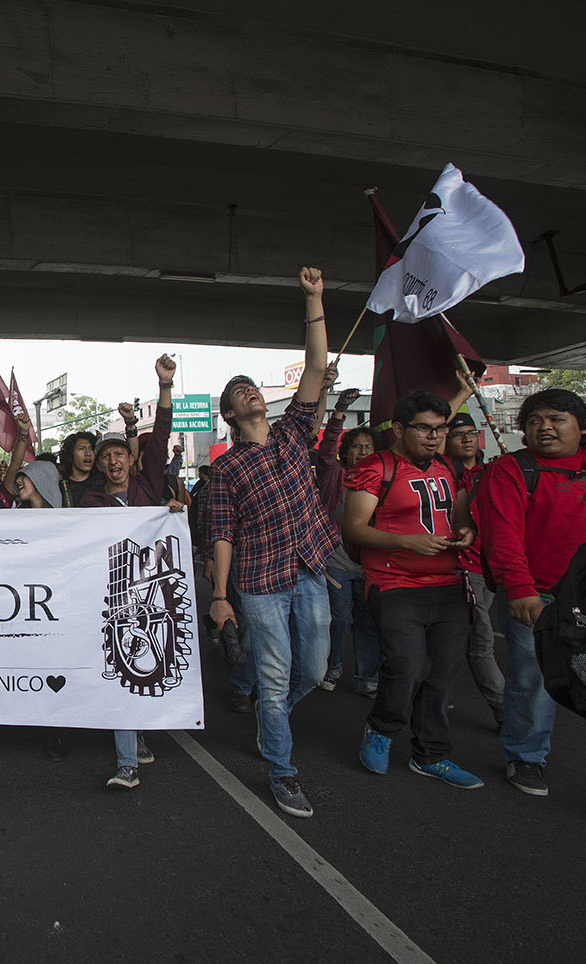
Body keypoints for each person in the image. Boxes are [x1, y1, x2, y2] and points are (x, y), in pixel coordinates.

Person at [207, 267, 335, 819]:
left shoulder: (292, 433)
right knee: (278, 678)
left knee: (313, 670)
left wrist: (314, 301)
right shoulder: (226, 469)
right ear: (231, 416)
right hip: (260, 586)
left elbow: (312, 365)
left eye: (252, 387)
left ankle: (270, 713)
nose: (250, 392)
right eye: (240, 394)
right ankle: (283, 772)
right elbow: (222, 533)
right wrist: (219, 593)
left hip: (308, 570)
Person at [473, 388, 586, 798]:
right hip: (544, 600)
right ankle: (526, 756)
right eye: (534, 422)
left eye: (556, 419)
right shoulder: (511, 470)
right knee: (534, 683)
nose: (544, 428)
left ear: (583, 427)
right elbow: (504, 537)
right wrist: (520, 590)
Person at [343, 390, 483, 789]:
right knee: (405, 665)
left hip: (448, 583)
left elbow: (457, 515)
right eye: (424, 428)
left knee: (443, 672)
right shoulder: (376, 468)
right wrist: (407, 542)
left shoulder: (448, 468)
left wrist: (465, 532)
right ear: (401, 429)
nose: (434, 436)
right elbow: (353, 528)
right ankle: (382, 728)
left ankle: (432, 754)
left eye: (440, 428)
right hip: (394, 584)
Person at [80, 357, 183, 788]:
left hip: (158, 591)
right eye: (106, 458)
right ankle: (128, 760)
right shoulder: (89, 504)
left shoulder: (150, 485)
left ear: (130, 457)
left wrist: (164, 387)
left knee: (156, 659)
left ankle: (141, 728)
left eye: (119, 453)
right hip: (118, 595)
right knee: (124, 665)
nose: (113, 461)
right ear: (101, 467)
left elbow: (160, 434)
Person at [314, 390, 380, 696]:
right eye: (357, 447)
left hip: (370, 565)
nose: (363, 452)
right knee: (339, 619)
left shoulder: (384, 480)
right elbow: (326, 447)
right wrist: (340, 409)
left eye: (368, 447)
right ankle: (333, 668)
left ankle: (368, 676)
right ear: (346, 452)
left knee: (368, 623)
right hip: (336, 565)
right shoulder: (334, 475)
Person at [443, 411, 505, 726]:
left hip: (490, 567)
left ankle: (435, 694)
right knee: (481, 642)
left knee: (456, 637)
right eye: (458, 434)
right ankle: (505, 709)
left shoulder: (497, 472)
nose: (467, 439)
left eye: (471, 432)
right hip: (459, 566)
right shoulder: (440, 476)